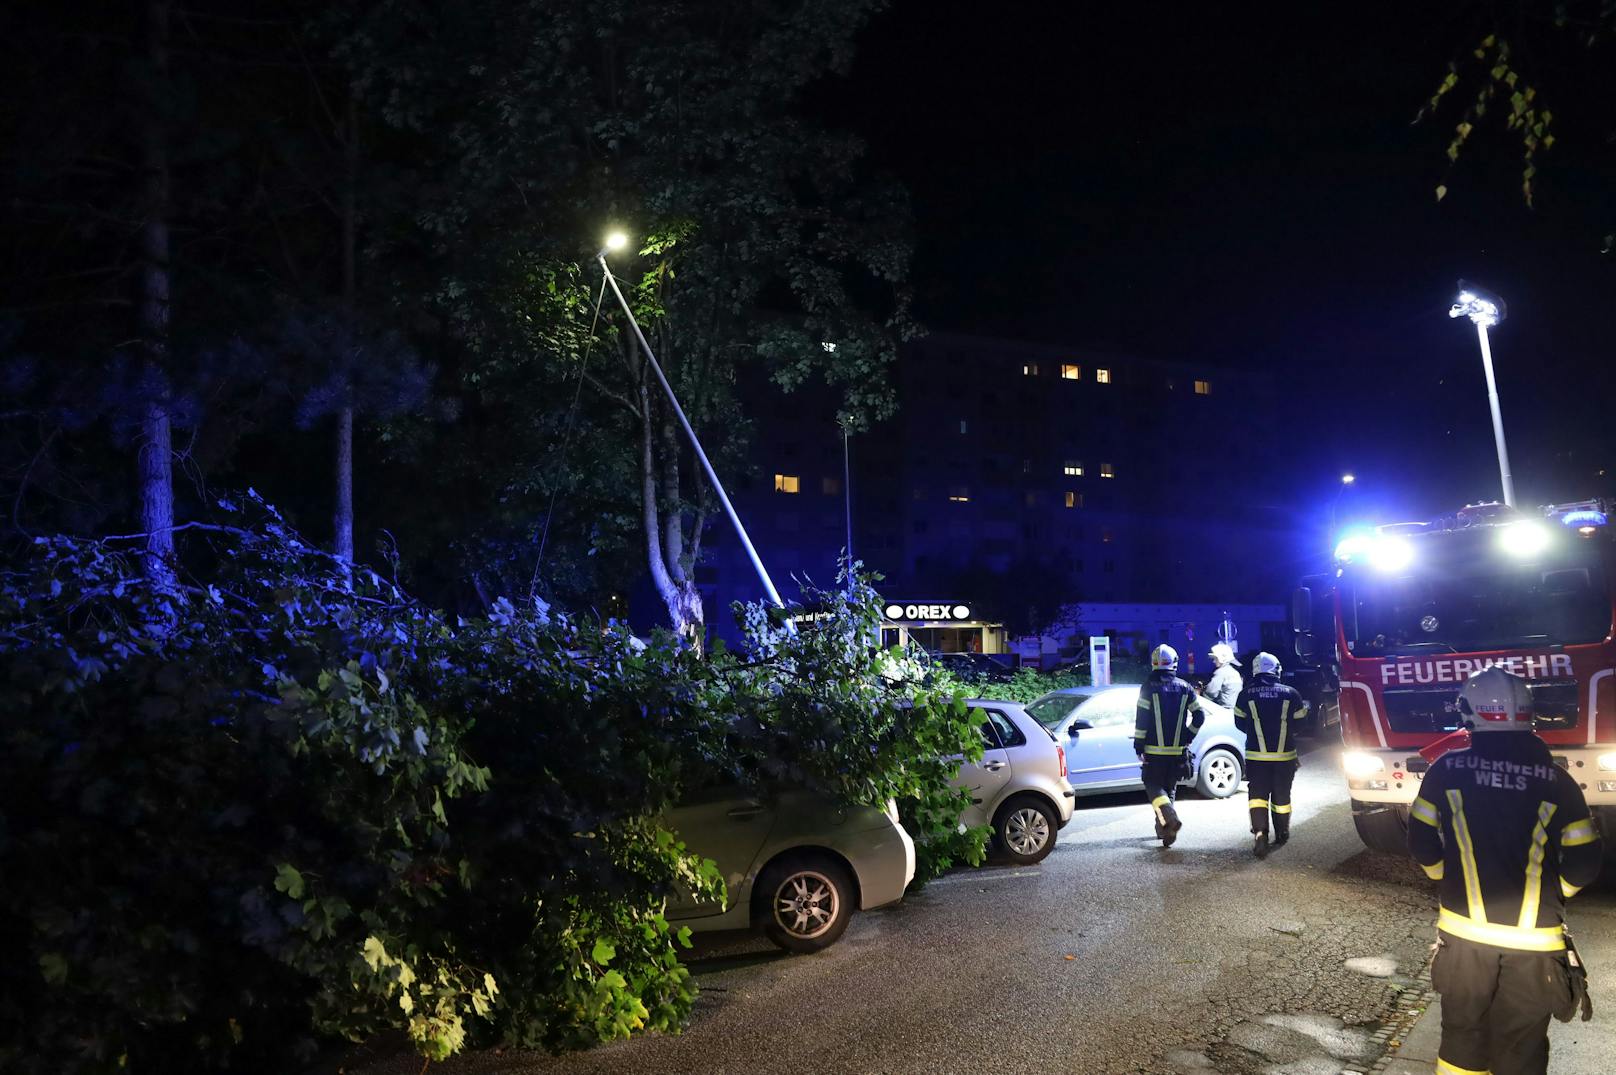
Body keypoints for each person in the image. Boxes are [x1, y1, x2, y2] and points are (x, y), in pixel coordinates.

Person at [1408, 666, 1604, 1075]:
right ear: (1529, 716)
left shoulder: (1445, 770)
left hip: (1463, 937)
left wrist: (1446, 879)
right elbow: (1585, 863)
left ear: (1469, 714)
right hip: (1535, 941)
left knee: (1461, 1038)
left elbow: (1422, 841)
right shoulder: (1558, 781)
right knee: (1522, 1045)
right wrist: (1558, 893)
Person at [1232, 651, 1307, 857]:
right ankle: (1282, 832)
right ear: (1277, 670)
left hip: (1256, 758)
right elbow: (1301, 723)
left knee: (1257, 797)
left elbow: (1240, 723)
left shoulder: (1245, 694)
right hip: (1285, 757)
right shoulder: (1291, 693)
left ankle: (1259, 834)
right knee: (1282, 797)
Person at [1133, 644, 1206, 848]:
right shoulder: (1185, 687)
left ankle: (1169, 819)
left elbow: (1142, 719)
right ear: (1174, 663)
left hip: (1154, 751)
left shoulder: (1148, 687)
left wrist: (1139, 746)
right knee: (1170, 789)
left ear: (1154, 663)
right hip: (1177, 751)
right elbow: (1199, 716)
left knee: (1153, 787)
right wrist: (1187, 736)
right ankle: (1165, 830)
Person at [1203, 642, 1243, 709]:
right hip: (1235, 711)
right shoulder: (1235, 673)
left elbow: (1211, 693)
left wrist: (1201, 694)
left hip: (1222, 710)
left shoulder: (1220, 672)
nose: (1214, 661)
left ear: (1222, 658)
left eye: (1215, 659)